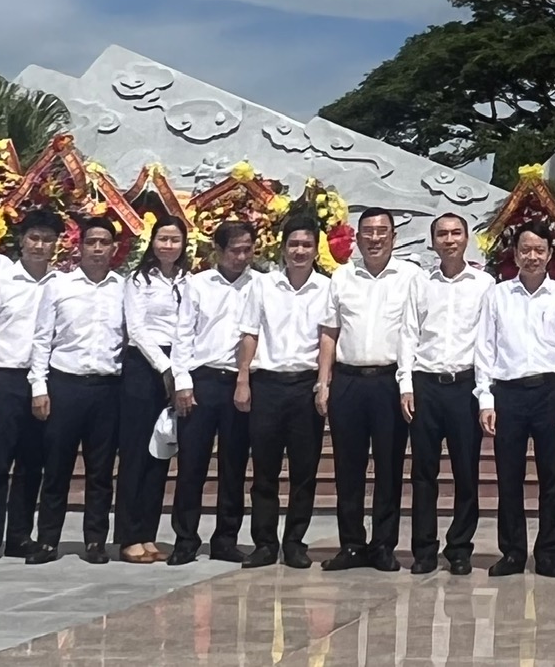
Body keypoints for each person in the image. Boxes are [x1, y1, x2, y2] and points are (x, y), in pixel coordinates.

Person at [478, 222, 555, 578]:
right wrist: (486, 399)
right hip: (508, 393)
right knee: (509, 476)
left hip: (551, 393)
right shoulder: (497, 296)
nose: (532, 256)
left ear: (550, 254)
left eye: (539, 250)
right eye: (526, 250)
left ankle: (549, 554)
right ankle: (512, 552)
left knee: (552, 477)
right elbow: (485, 349)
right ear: (515, 254)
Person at [323, 206, 420, 571]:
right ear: (357, 237)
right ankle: (350, 544)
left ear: (394, 236)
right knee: (347, 467)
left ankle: (383, 545)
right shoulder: (342, 277)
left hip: (389, 382)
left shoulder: (411, 277)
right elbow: (329, 332)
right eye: (368, 232)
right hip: (347, 381)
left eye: (382, 232)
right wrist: (323, 381)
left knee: (389, 466)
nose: (375, 238)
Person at [30, 214, 127, 565]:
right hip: (65, 385)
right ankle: (47, 540)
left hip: (107, 389)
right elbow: (42, 339)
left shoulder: (124, 288)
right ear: (80, 246)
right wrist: (38, 386)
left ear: (114, 249)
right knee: (56, 468)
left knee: (101, 471)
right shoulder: (59, 285)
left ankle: (96, 541)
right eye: (91, 242)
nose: (97, 249)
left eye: (104, 243)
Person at [0, 206, 63, 562]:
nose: (39, 245)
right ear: (21, 241)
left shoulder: (61, 283)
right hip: (5, 377)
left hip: (44, 381)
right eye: (33, 238)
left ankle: (20, 536)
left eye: (47, 240)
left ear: (56, 244)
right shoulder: (0, 280)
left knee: (32, 462)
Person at [237, 213, 330, 568]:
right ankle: (264, 543)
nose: (300, 251)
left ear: (316, 248)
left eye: (306, 244)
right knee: (264, 469)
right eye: (294, 244)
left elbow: (328, 338)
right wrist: (243, 379)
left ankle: (294, 543)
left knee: (304, 471)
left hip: (305, 386)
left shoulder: (326, 288)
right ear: (283, 247)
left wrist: (323, 384)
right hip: (267, 385)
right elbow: (250, 333)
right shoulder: (263, 285)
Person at [402, 212, 493, 575]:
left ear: (466, 238)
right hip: (426, 384)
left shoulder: (484, 284)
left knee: (465, 472)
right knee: (423, 473)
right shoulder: (421, 283)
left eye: (456, 233)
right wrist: (405, 384)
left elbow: (487, 341)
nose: (450, 240)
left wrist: (486, 393)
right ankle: (424, 549)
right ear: (433, 240)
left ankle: (459, 548)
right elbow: (408, 334)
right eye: (442, 234)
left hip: (465, 387)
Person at [168, 218, 257, 565]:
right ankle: (185, 539)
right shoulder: (197, 284)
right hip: (202, 380)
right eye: (235, 250)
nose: (241, 257)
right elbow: (183, 334)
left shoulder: (260, 284)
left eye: (247, 250)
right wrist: (182, 381)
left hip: (240, 381)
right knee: (192, 464)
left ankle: (226, 539)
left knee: (234, 465)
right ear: (218, 251)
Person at [116, 216, 190, 562]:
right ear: (153, 241)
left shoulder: (189, 280)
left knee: (160, 451)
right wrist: (165, 367)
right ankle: (128, 535)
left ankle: (147, 533)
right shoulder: (138, 280)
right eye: (163, 239)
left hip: (178, 364)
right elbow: (136, 329)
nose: (168, 246)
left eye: (175, 240)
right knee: (135, 453)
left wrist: (179, 367)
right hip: (145, 367)